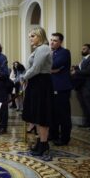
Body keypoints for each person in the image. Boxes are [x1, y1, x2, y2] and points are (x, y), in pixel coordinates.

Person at [21, 27, 53, 156]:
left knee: (42, 115)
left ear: (40, 36)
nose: (30, 38)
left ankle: (44, 144)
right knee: (37, 115)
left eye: (33, 36)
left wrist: (23, 77)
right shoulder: (39, 49)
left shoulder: (43, 48)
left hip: (41, 83)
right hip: (36, 83)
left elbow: (36, 68)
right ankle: (41, 143)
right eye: (29, 36)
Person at [49, 33, 73, 146]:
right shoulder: (51, 52)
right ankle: (53, 135)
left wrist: (51, 68)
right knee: (53, 113)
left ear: (60, 42)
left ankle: (64, 138)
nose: (52, 42)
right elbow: (50, 67)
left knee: (63, 114)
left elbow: (54, 64)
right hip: (51, 87)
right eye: (51, 40)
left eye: (55, 40)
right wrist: (51, 69)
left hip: (62, 87)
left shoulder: (64, 52)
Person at [71, 44, 90, 130]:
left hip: (88, 85)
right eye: (82, 49)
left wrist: (76, 72)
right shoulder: (83, 60)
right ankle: (89, 123)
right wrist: (76, 67)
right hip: (80, 86)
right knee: (84, 105)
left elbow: (89, 71)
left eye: (84, 49)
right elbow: (82, 70)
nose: (82, 50)